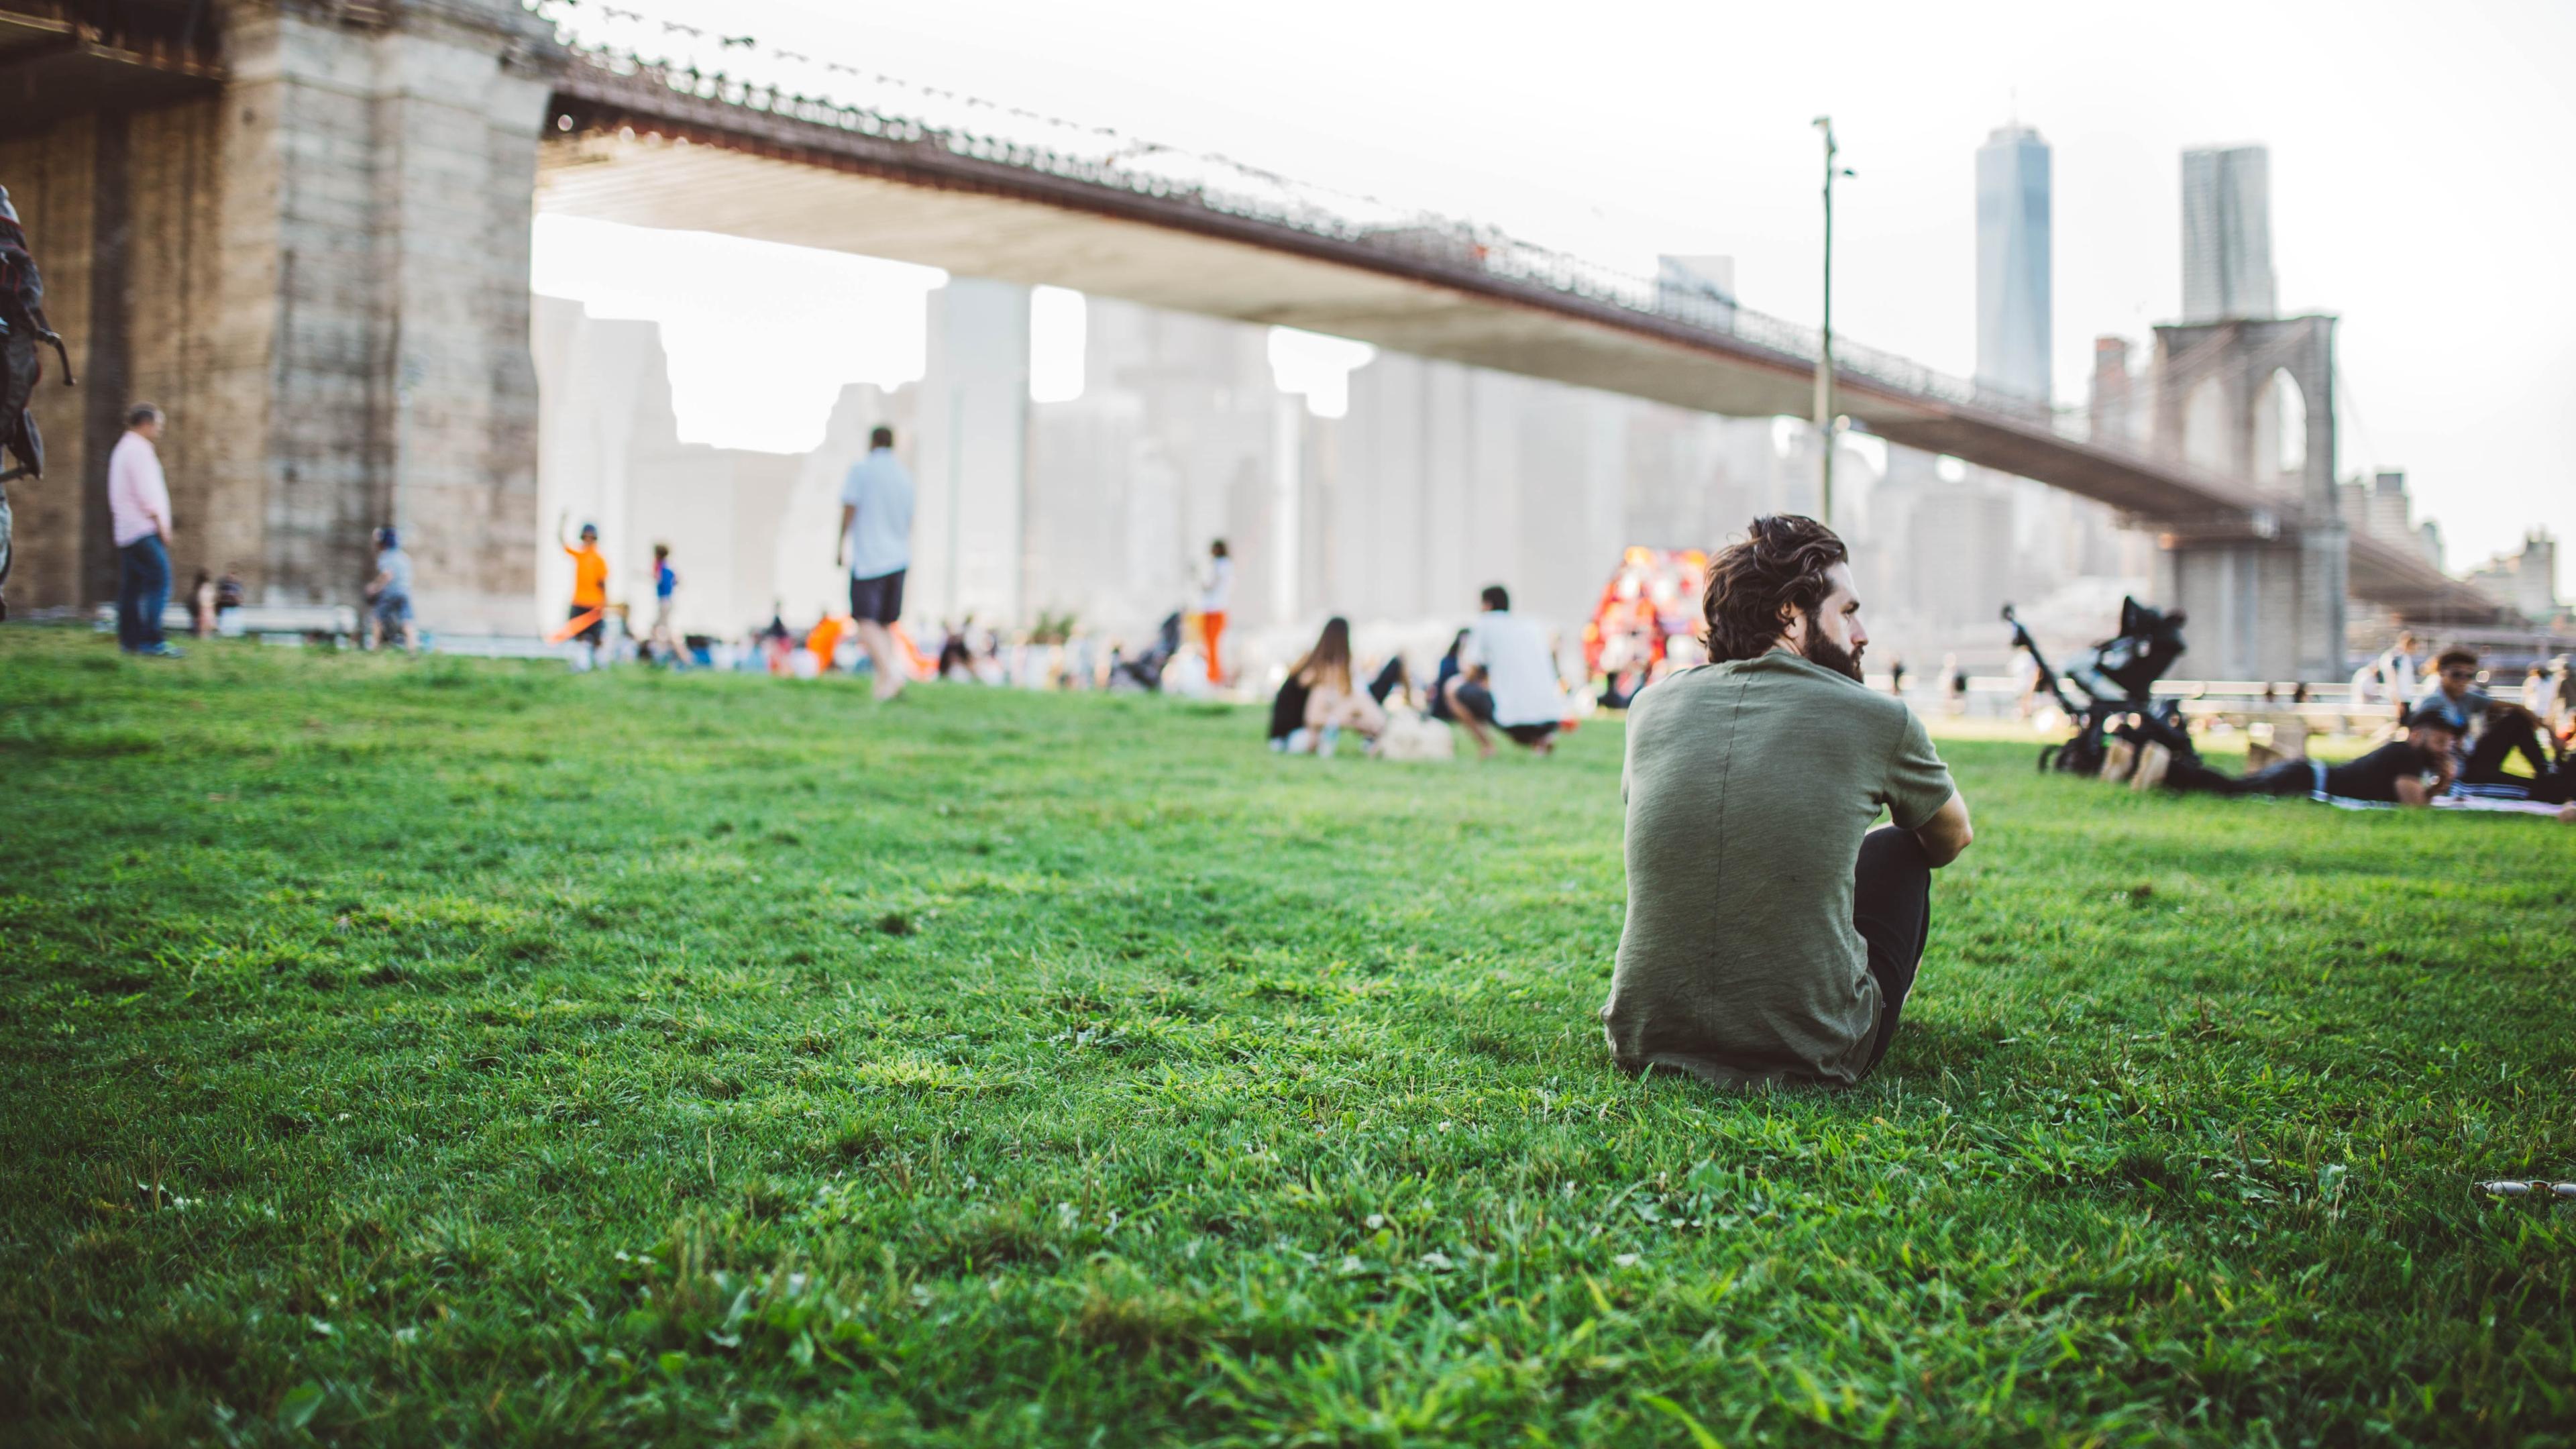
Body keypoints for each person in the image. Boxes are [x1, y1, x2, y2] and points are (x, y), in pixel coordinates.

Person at [1599, 515, 1973, 1088]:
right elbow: (1950, 838)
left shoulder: (1651, 706)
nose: (1863, 633)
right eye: (1847, 611)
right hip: (1814, 1049)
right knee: (1898, 849)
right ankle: (1833, 1010)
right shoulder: (1878, 717)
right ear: (1790, 612)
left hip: (1646, 1037)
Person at [2162, 705, 2460, 806]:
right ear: (2418, 735)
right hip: (2308, 779)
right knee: (2234, 791)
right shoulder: (2406, 755)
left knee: (2236, 787)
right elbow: (2414, 805)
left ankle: (2171, 769)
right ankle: (2170, 770)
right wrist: (2439, 786)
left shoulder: (2402, 752)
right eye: (2439, 741)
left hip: (2306, 773)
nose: (2444, 749)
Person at [837, 425, 915, 703]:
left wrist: (840, 545)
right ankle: (884, 685)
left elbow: (849, 508)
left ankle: (892, 673)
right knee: (884, 624)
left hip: (870, 558)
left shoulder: (862, 470)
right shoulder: (905, 477)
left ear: (872, 442)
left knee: (865, 620)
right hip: (899, 557)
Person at [1443, 585, 1566, 757]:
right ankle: (1542, 740)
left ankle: (1488, 747)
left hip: (1514, 721)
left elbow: (1470, 673)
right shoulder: (1531, 626)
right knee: (1510, 698)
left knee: (1452, 687)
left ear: (1486, 605)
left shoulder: (1485, 624)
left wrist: (1463, 656)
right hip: (1552, 719)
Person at [108, 403, 180, 657]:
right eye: (159, 425)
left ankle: (130, 642)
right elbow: (147, 493)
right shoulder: (138, 451)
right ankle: (152, 640)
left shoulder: (123, 449)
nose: (160, 430)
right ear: (146, 424)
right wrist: (161, 526)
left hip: (127, 529)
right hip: (142, 528)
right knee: (160, 581)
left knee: (132, 587)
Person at [1280, 616, 1385, 756]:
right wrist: (1352, 723)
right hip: (1291, 738)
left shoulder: (1312, 663)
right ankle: (1379, 734)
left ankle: (1378, 734)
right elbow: (1313, 718)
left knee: (1356, 700)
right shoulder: (1320, 671)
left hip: (1293, 735)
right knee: (1356, 701)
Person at [557, 514, 608, 667]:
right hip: (579, 600)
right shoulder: (580, 555)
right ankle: (582, 662)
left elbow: (602, 582)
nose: (588, 539)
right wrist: (562, 523)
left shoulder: (599, 559)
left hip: (594, 602)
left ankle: (600, 661)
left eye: (591, 537)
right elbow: (563, 543)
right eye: (586, 537)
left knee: (596, 635)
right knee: (578, 634)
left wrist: (605, 602)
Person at [364, 525, 418, 653]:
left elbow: (387, 575)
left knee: (378, 619)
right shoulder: (405, 557)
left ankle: (374, 648)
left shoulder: (386, 556)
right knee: (407, 621)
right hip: (405, 592)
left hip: (390, 593)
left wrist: (374, 587)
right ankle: (412, 650)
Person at [1197, 539, 1232, 686]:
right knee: (1213, 645)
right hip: (1218, 610)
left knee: (1212, 645)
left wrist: (1197, 577)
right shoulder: (1226, 565)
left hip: (1214, 610)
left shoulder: (1220, 566)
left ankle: (1214, 677)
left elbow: (1209, 586)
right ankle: (1213, 675)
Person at [645, 542, 682, 665]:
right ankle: (662, 652)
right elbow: (677, 580)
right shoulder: (669, 566)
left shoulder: (660, 565)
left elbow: (658, 578)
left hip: (664, 601)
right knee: (659, 629)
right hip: (669, 600)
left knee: (664, 630)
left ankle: (678, 655)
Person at [190, 569, 216, 638]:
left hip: (205, 608)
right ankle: (204, 636)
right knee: (205, 624)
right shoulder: (205, 587)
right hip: (205, 608)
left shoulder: (201, 587)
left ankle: (205, 636)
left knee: (205, 624)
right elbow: (205, 598)